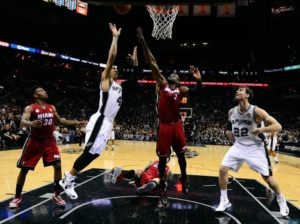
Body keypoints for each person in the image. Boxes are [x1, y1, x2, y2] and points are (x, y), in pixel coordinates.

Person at [59, 23, 122, 200]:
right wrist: (115, 38)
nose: (116, 69)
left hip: (107, 123)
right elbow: (111, 58)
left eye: (117, 68)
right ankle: (68, 179)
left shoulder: (118, 86)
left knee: (95, 153)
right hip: (100, 120)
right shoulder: (106, 81)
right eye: (114, 68)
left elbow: (133, 79)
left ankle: (70, 177)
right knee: (88, 152)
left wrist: (136, 62)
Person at [136, 27, 202, 198]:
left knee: (181, 157)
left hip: (176, 125)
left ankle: (185, 179)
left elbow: (198, 93)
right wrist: (143, 42)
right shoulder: (162, 83)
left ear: (179, 81)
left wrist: (199, 81)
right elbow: (152, 61)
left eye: (177, 75)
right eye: (171, 73)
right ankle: (163, 184)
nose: (173, 73)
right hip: (164, 126)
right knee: (163, 159)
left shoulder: (183, 89)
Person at [216, 86, 289, 217]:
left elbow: (278, 126)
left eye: (240, 90)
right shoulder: (231, 111)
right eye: (237, 90)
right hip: (238, 146)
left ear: (247, 95)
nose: (237, 91)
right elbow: (229, 128)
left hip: (255, 147)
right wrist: (229, 135)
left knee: (268, 179)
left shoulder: (256, 111)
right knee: (223, 169)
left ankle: (281, 198)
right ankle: (224, 200)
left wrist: (260, 130)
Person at [9, 87, 83, 208]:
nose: (45, 92)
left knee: (58, 165)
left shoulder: (51, 107)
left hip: (49, 141)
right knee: (24, 169)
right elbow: (23, 121)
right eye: (42, 91)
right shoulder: (30, 108)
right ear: (36, 95)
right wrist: (31, 123)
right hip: (35, 142)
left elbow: (60, 121)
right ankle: (17, 197)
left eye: (45, 90)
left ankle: (57, 194)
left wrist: (75, 123)